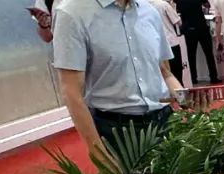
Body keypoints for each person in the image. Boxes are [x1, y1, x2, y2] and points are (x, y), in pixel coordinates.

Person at [53, 0, 185, 159]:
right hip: (117, 132)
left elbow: (164, 72)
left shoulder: (150, 11)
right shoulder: (72, 13)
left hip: (165, 122)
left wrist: (185, 98)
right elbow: (72, 93)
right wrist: (100, 156)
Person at [177, 0, 220, 84]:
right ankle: (213, 76)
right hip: (201, 27)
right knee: (209, 54)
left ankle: (193, 78)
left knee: (191, 56)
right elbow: (207, 4)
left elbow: (177, 10)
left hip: (188, 29)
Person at [148, 0, 184, 85]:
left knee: (163, 72)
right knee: (177, 72)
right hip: (171, 42)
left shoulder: (144, 6)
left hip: (156, 44)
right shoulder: (164, 5)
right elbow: (177, 21)